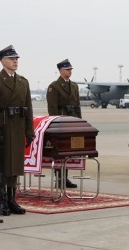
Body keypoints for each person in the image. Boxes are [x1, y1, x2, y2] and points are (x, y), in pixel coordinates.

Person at [0, 45, 35, 216]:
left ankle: (12, 199)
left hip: (18, 128)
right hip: (3, 128)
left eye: (16, 59)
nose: (15, 61)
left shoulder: (22, 81)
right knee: (2, 165)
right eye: (12, 59)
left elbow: (28, 108)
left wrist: (29, 131)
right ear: (3, 61)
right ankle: (2, 200)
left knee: (15, 166)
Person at [46, 59, 80, 188]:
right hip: (61, 121)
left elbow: (77, 106)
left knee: (68, 151)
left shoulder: (74, 86)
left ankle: (65, 178)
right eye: (67, 69)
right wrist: (55, 123)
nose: (69, 71)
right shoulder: (54, 86)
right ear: (60, 71)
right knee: (59, 151)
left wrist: (79, 121)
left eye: (70, 69)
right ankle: (59, 178)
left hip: (72, 120)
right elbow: (52, 108)